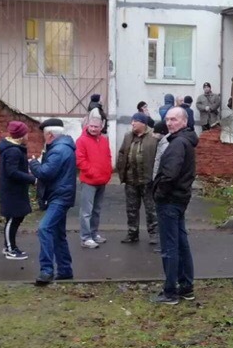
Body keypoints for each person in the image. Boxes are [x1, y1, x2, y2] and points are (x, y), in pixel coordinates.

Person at [152, 107, 199, 305]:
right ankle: (186, 287)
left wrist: (158, 194)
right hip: (179, 199)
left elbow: (170, 174)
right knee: (181, 243)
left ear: (185, 122)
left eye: (174, 119)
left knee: (170, 247)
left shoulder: (178, 143)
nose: (170, 123)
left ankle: (170, 292)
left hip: (170, 200)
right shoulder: (185, 141)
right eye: (168, 120)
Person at [29, 119, 77, 286]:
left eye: (44, 135)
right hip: (61, 194)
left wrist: (33, 164)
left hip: (59, 197)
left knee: (44, 228)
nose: (43, 138)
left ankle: (47, 270)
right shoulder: (63, 147)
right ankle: (65, 270)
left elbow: (45, 173)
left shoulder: (58, 150)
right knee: (57, 233)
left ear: (49, 135)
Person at [117, 112, 159, 245]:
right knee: (131, 209)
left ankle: (154, 234)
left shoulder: (153, 137)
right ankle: (132, 233)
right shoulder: (128, 136)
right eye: (132, 121)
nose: (132, 123)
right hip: (130, 180)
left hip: (147, 180)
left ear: (143, 123)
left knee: (151, 209)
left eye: (135, 121)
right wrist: (121, 170)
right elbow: (122, 153)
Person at [0, 121, 36, 260]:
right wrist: (32, 179)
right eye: (26, 133)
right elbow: (12, 172)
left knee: (15, 218)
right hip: (12, 191)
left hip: (15, 190)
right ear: (21, 135)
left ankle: (10, 246)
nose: (28, 136)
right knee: (13, 219)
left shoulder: (14, 148)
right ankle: (10, 249)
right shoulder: (13, 151)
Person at [77, 109, 113, 249]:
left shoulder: (104, 140)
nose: (93, 129)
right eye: (91, 126)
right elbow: (80, 161)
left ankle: (93, 233)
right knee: (86, 211)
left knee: (96, 209)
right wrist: (93, 173)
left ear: (101, 127)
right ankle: (85, 237)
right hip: (89, 180)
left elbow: (108, 157)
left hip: (101, 180)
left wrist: (108, 172)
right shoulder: (81, 140)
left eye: (96, 127)